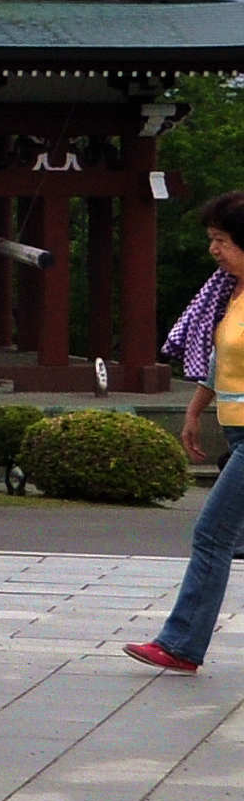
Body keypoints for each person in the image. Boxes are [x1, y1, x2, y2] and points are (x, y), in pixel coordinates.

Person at [124, 191, 244, 675]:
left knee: (212, 534)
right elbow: (221, 365)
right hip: (235, 434)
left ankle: (180, 644)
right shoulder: (227, 294)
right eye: (211, 240)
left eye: (223, 241)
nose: (213, 250)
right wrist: (194, 412)